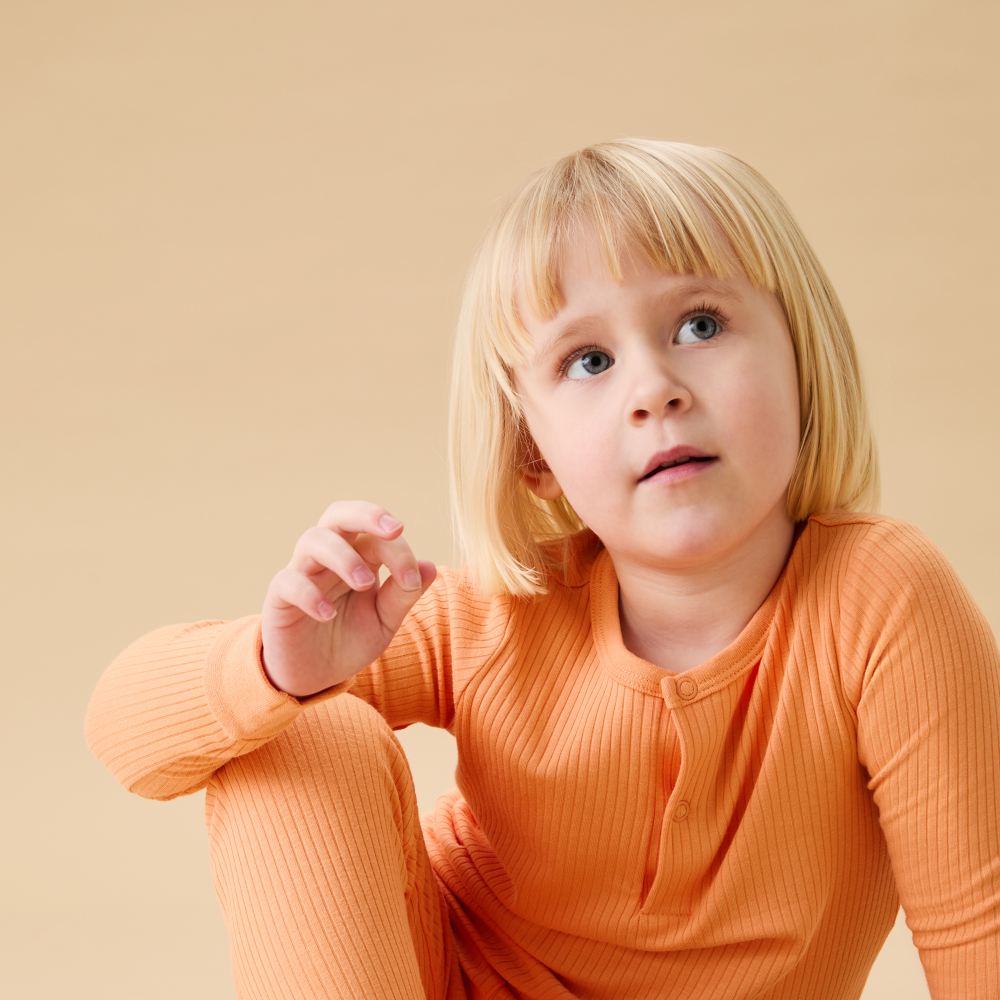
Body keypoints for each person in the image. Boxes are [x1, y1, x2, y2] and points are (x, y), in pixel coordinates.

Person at [84, 138, 1000, 1000]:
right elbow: (124, 733)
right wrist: (277, 669)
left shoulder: (883, 599)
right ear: (533, 453)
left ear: (802, 356)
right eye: (589, 359)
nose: (655, 390)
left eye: (700, 322)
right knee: (300, 730)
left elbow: (978, 938)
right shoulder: (499, 612)